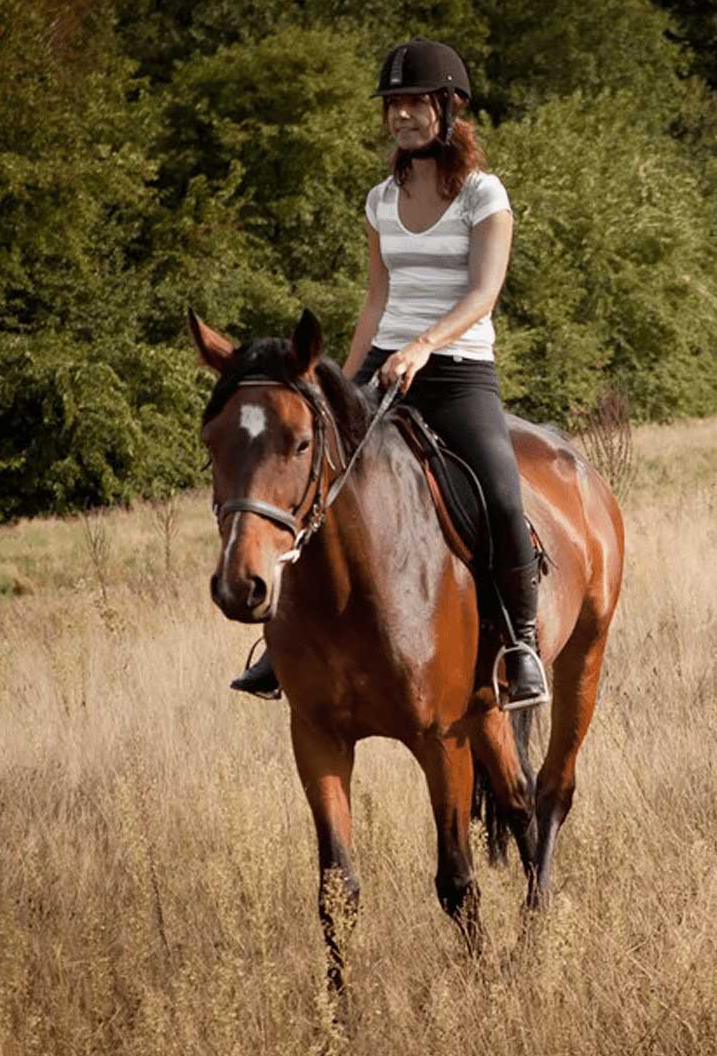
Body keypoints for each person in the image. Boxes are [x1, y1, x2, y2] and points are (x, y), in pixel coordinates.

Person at [229, 39, 550, 711]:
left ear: (447, 106)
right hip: (383, 366)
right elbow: (377, 300)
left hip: (459, 370)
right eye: (392, 104)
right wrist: (332, 385)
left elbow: (484, 293)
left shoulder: (483, 195)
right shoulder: (380, 199)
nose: (400, 115)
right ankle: (285, 647)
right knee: (315, 486)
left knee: (500, 494)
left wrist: (425, 345)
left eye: (413, 102)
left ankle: (519, 643)